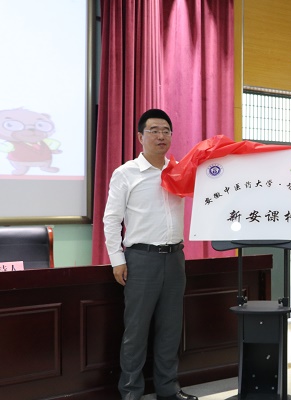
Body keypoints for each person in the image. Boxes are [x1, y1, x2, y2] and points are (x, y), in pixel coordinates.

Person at [103, 109, 198, 400]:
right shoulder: (126, 173)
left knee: (170, 329)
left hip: (175, 257)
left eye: (166, 131)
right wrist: (117, 260)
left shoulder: (180, 171)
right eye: (154, 130)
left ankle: (168, 389)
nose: (161, 136)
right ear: (140, 137)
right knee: (136, 330)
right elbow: (111, 219)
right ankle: (131, 392)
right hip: (141, 260)